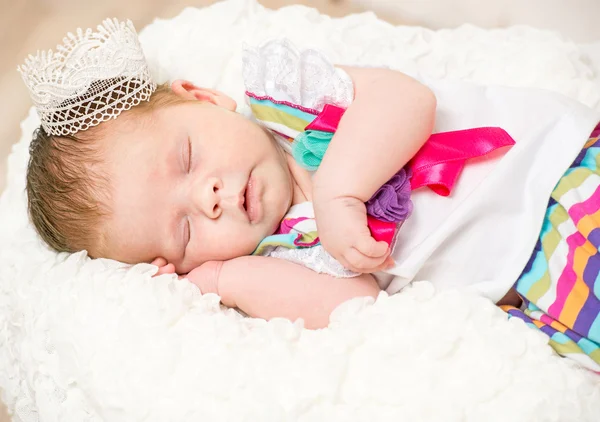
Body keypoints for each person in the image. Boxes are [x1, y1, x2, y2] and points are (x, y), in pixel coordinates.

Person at [20, 19, 600, 370]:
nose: (211, 197)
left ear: (204, 98)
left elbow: (407, 99)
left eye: (188, 159)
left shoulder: (288, 102)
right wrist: (223, 280)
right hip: (538, 282)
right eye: (186, 229)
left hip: (557, 170)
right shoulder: (279, 255)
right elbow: (356, 307)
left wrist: (341, 193)